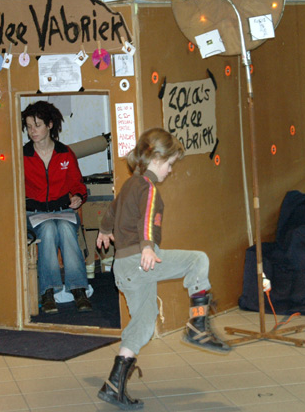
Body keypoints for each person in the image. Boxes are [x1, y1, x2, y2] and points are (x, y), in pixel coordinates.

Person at [96, 128, 230, 410]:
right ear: (156, 158)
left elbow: (112, 211)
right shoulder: (147, 186)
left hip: (124, 268)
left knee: (144, 323)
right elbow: (146, 219)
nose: (170, 170)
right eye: (170, 164)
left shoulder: (129, 185)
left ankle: (113, 385)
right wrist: (147, 246)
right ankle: (198, 325)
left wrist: (105, 230)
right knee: (198, 260)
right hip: (141, 259)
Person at [22, 101, 92, 314]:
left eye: (37, 125)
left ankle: (78, 288)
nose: (33, 131)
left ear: (50, 125)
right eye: (29, 127)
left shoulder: (65, 153)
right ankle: (48, 291)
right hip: (34, 213)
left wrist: (78, 197)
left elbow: (77, 184)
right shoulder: (23, 155)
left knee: (64, 228)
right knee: (49, 229)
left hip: (62, 211)